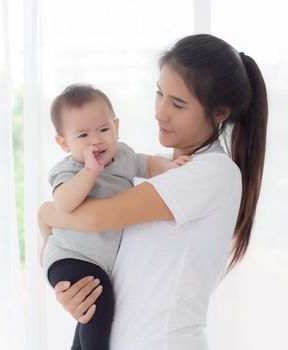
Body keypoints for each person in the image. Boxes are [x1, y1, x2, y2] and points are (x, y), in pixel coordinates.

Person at [38, 33, 268, 350]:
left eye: (178, 103)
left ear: (220, 112)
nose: (160, 112)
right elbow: (108, 258)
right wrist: (70, 288)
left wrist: (46, 212)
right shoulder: (153, 172)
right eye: (159, 94)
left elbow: (94, 220)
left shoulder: (213, 172)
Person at [41, 84, 190, 350]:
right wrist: (89, 172)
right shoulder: (69, 170)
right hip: (69, 256)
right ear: (64, 143)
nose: (96, 140)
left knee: (90, 311)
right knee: (99, 301)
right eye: (83, 135)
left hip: (99, 262)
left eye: (104, 129)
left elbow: (147, 163)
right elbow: (62, 204)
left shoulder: (123, 155)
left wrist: (168, 166)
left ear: (116, 127)